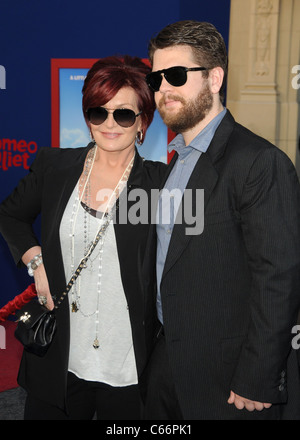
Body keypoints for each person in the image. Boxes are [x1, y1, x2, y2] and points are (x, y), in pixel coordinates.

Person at [143, 20, 300, 420]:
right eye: (155, 77)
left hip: (229, 377)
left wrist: (258, 376)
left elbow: (277, 277)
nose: (162, 89)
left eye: (176, 75)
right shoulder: (176, 160)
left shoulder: (259, 162)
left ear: (214, 78)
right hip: (167, 359)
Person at [0, 55, 166, 420]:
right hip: (60, 356)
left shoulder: (159, 185)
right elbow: (10, 214)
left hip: (128, 365)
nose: (109, 124)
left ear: (142, 122)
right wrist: (36, 260)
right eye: (98, 112)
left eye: (123, 114)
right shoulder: (55, 166)